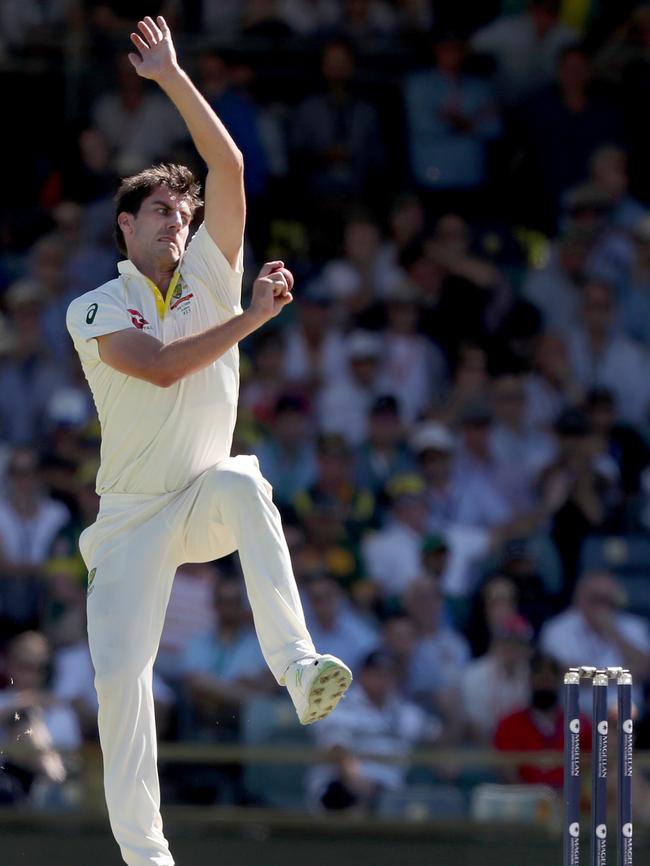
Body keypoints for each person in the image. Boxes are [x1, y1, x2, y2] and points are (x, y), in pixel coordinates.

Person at [65, 17, 351, 866]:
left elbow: (227, 168)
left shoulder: (214, 277)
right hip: (127, 523)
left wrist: (175, 78)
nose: (177, 226)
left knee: (242, 483)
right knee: (121, 685)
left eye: (185, 217)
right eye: (160, 212)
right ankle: (147, 856)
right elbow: (155, 370)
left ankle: (299, 670)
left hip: (197, 500)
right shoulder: (94, 307)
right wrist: (252, 320)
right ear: (125, 226)